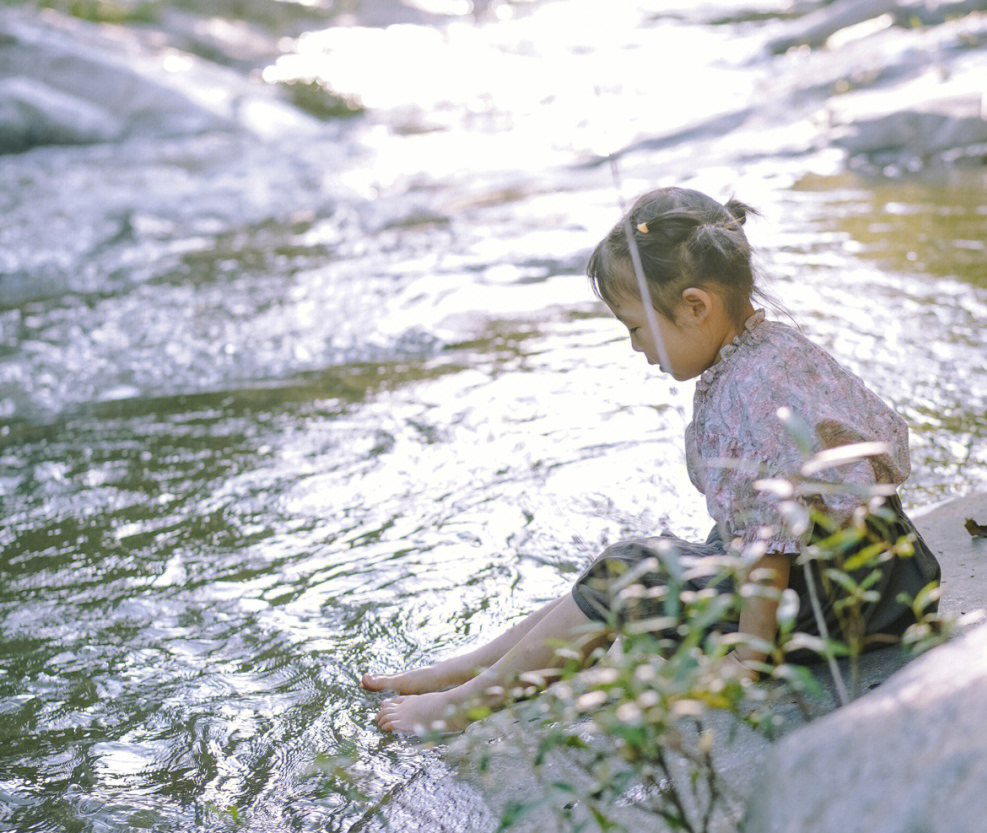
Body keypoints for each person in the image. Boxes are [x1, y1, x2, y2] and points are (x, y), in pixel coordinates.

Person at [364, 186, 940, 735]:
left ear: (695, 307)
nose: (635, 347)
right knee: (662, 560)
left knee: (628, 572)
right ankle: (474, 667)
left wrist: (749, 657)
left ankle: (468, 702)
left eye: (636, 328)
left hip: (843, 606)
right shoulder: (773, 349)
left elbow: (771, 541)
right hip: (894, 573)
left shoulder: (745, 392)